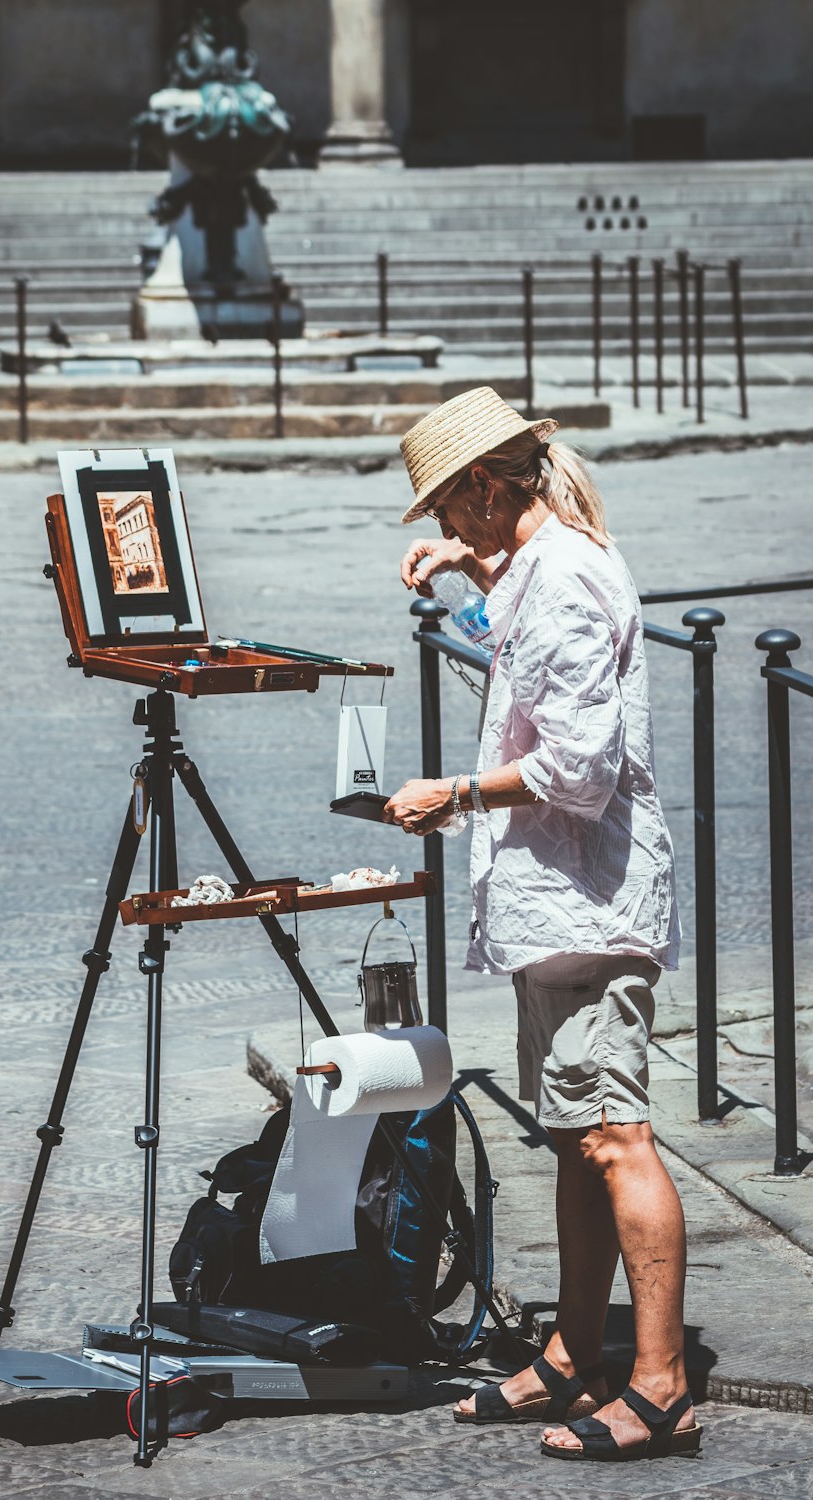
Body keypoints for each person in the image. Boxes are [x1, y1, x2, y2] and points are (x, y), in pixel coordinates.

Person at [383, 387, 701, 1463]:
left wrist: (454, 794)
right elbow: (530, 648)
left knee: (615, 1138)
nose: (446, 523)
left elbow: (576, 766)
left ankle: (659, 1387)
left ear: (485, 484)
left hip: (587, 900)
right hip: (557, 905)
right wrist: (470, 570)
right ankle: (574, 1355)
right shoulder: (539, 564)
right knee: (576, 1138)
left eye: (450, 507)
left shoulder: (562, 576)